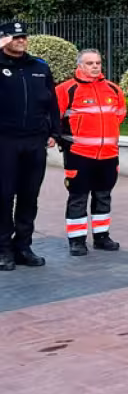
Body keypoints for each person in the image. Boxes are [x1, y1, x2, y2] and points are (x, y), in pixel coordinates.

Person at [0, 22, 61, 270]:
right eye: (15, 37)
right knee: (3, 196)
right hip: (5, 141)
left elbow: (52, 102)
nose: (21, 40)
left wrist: (54, 131)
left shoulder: (39, 67)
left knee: (29, 195)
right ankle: (3, 249)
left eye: (23, 36)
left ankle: (23, 247)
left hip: (35, 141)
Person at [55, 49, 127, 255]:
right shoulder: (66, 90)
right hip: (79, 154)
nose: (95, 66)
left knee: (104, 195)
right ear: (80, 66)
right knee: (78, 196)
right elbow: (54, 118)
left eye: (98, 63)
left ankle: (101, 237)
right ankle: (77, 241)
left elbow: (119, 115)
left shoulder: (113, 89)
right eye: (90, 63)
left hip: (108, 154)